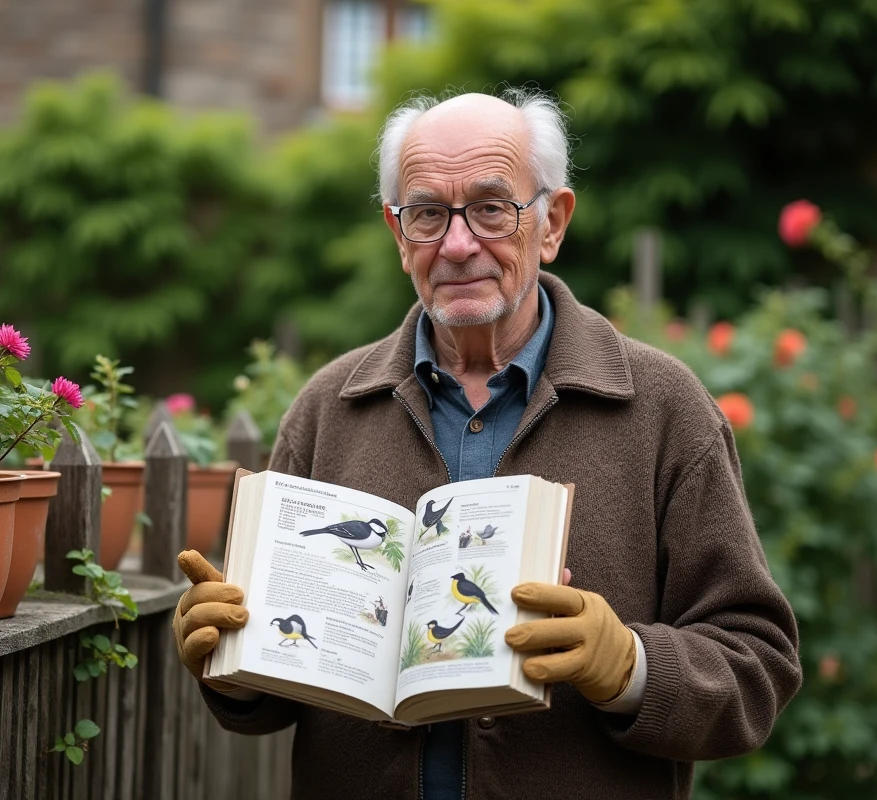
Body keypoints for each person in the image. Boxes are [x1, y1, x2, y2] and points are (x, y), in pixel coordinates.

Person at [172, 88, 801, 799]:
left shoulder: (664, 409)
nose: (458, 244)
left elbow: (759, 665)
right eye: (427, 214)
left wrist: (628, 665)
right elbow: (274, 695)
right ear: (398, 233)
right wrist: (230, 661)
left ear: (552, 222)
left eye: (492, 208)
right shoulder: (326, 410)